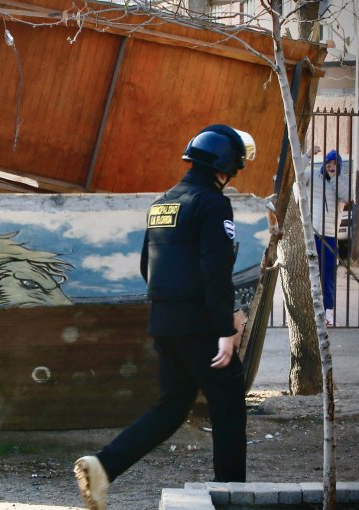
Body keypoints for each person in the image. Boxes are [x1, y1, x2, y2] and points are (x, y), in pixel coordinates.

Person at [73, 124, 254, 510]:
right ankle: (231, 495)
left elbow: (147, 266)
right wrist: (226, 328)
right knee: (228, 403)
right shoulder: (212, 203)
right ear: (226, 167)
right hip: (200, 324)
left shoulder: (163, 203)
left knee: (172, 407)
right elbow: (214, 268)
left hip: (164, 321)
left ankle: (103, 466)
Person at [308, 150, 349, 327]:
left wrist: (334, 178)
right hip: (313, 234)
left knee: (328, 276)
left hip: (331, 236)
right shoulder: (313, 176)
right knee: (309, 276)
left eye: (334, 163)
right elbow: (296, 175)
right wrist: (307, 156)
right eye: (328, 162)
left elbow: (346, 197)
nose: (331, 165)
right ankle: (309, 314)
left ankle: (329, 315)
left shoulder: (343, 181)